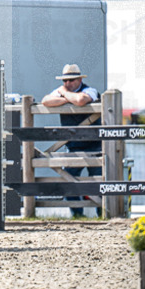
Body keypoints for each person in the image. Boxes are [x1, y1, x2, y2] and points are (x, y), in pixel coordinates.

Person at [41, 63, 102, 218]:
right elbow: (45, 101)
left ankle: (103, 213)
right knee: (67, 181)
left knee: (97, 183)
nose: (67, 84)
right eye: (65, 81)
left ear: (79, 79)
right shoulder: (63, 91)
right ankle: (77, 214)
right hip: (73, 146)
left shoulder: (90, 90)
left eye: (72, 80)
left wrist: (63, 95)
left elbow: (81, 100)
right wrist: (69, 98)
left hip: (95, 146)